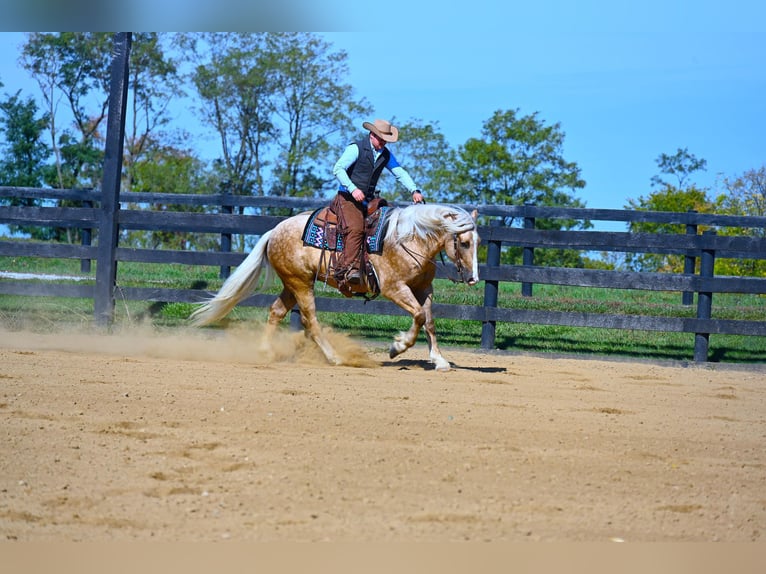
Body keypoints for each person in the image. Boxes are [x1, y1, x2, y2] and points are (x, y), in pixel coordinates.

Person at [332, 119, 425, 286]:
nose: (383, 144)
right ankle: (347, 269)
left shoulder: (385, 154)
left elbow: (399, 172)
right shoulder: (356, 148)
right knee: (356, 227)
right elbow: (338, 169)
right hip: (346, 198)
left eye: (385, 141)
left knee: (390, 221)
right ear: (372, 135)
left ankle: (383, 266)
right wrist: (353, 188)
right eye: (381, 140)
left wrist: (414, 190)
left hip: (367, 199)